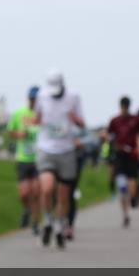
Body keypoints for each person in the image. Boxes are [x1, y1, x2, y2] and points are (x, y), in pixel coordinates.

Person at [31, 70, 85, 249]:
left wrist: (74, 119)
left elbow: (82, 123)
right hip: (46, 148)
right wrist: (32, 122)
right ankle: (47, 221)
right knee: (46, 188)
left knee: (63, 194)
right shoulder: (42, 96)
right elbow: (36, 118)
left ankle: (60, 225)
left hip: (66, 150)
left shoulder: (74, 96)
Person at [104, 96, 139, 228]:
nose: (124, 109)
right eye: (123, 107)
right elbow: (108, 134)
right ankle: (125, 214)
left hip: (132, 155)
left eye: (126, 107)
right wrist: (107, 139)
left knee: (132, 181)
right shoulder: (114, 120)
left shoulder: (136, 120)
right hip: (119, 155)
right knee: (122, 186)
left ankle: (133, 198)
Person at [7, 86, 42, 235]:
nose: (34, 102)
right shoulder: (19, 113)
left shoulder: (43, 115)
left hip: (38, 159)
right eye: (32, 99)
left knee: (36, 192)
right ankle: (27, 210)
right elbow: (10, 131)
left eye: (36, 99)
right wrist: (19, 134)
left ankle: (35, 222)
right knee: (24, 193)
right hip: (23, 158)